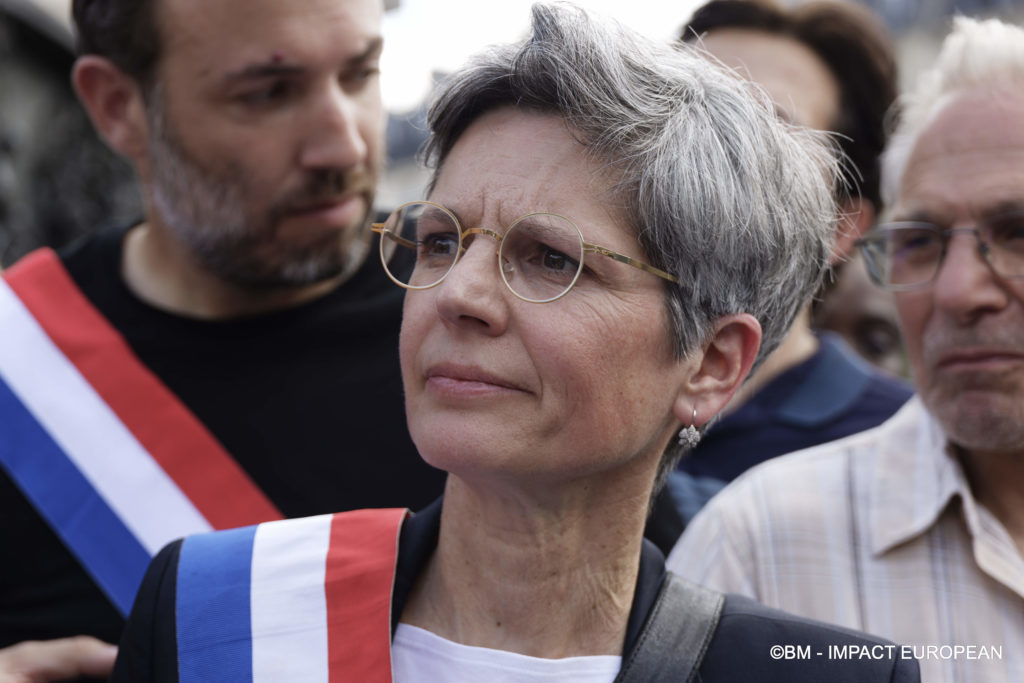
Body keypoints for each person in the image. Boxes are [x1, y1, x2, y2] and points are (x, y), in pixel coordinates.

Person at [110, 5, 920, 681]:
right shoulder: (211, 611)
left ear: (712, 363)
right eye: (438, 241)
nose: (458, 295)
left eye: (551, 260)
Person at [0, 0, 447, 676]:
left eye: (360, 74)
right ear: (118, 106)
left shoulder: (485, 315)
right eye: (269, 93)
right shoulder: (17, 364)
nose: (346, 145)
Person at [668, 16, 1024, 683]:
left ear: (843, 225)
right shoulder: (756, 542)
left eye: (1019, 232)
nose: (957, 290)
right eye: (920, 240)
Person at [664, 0, 912, 523]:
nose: (707, 147)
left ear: (843, 224)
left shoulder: (904, 446)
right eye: (681, 106)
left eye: (767, 127)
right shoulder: (547, 387)